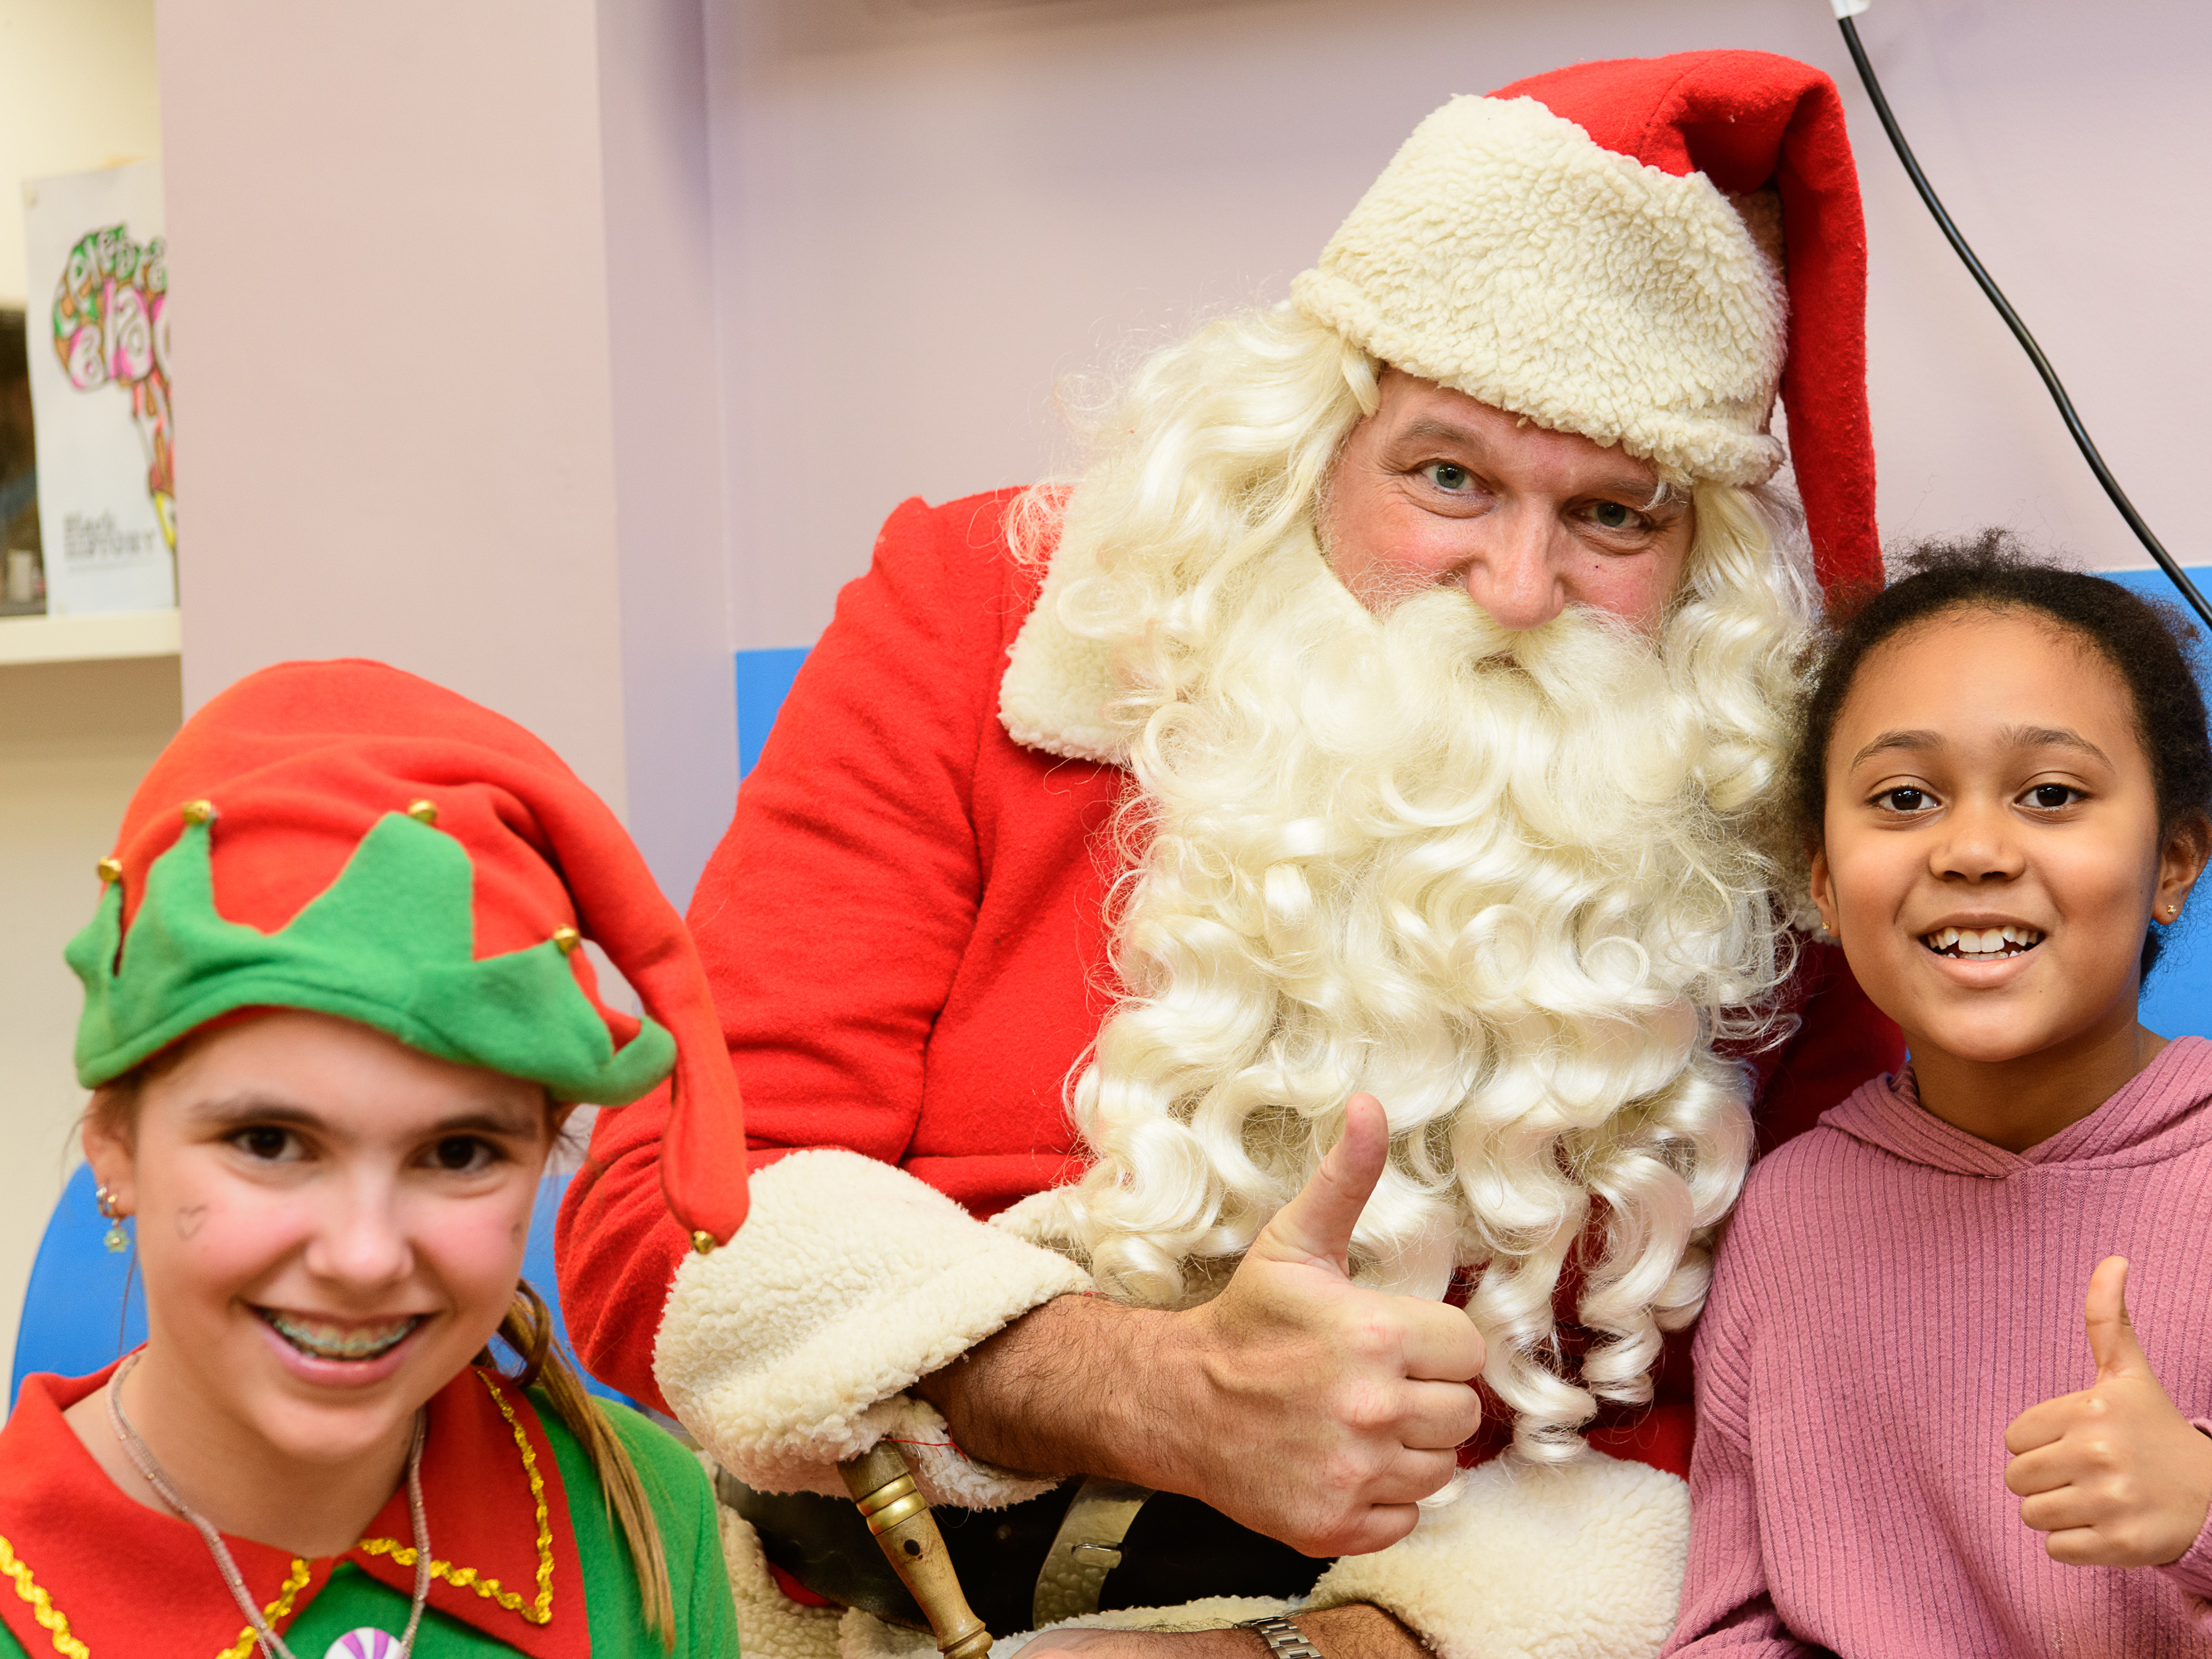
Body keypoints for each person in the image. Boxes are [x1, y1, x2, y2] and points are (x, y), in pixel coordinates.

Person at [561, 50, 1904, 1659]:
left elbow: (1803, 1409)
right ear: (1311, 442)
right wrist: (1140, 1388)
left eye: (1616, 515)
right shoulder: (987, 616)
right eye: (1448, 477)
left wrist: (1333, 1654)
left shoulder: (1769, 801)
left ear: (1700, 557)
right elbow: (667, 1225)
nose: (1518, 587)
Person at [1663, 537, 2212, 1655]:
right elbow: (1731, 1627)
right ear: (1823, 878)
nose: (1973, 849)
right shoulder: (1787, 1216)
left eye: (2051, 794)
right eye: (1904, 797)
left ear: (2173, 863)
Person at [0, 659, 745, 1657]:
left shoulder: (647, 1517)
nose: (362, 1255)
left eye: (458, 1151)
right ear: (115, 1144)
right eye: (269, 1142)